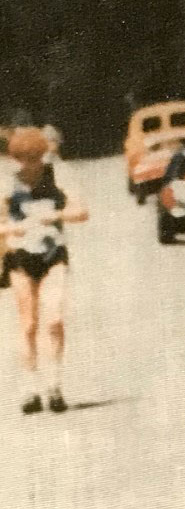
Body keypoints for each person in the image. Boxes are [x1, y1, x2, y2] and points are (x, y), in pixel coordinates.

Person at [1, 126, 88, 413]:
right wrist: (15, 227)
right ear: (14, 158)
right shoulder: (6, 183)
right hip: (20, 258)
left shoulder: (56, 176)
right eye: (23, 159)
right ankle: (30, 388)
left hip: (53, 254)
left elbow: (81, 211)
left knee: (54, 319)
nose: (29, 165)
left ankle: (54, 385)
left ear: (42, 155)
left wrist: (55, 215)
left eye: (34, 158)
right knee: (28, 325)